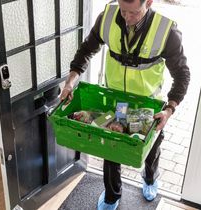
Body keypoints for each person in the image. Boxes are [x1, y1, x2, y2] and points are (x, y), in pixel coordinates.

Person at [60, 0, 190, 209]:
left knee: (151, 149)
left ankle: (149, 178)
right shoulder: (108, 17)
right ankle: (112, 195)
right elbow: (86, 50)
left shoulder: (166, 30)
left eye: (134, 12)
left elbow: (182, 75)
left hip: (147, 106)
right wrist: (69, 82)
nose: (127, 17)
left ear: (148, 2)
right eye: (123, 10)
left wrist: (169, 109)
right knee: (111, 149)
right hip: (115, 102)